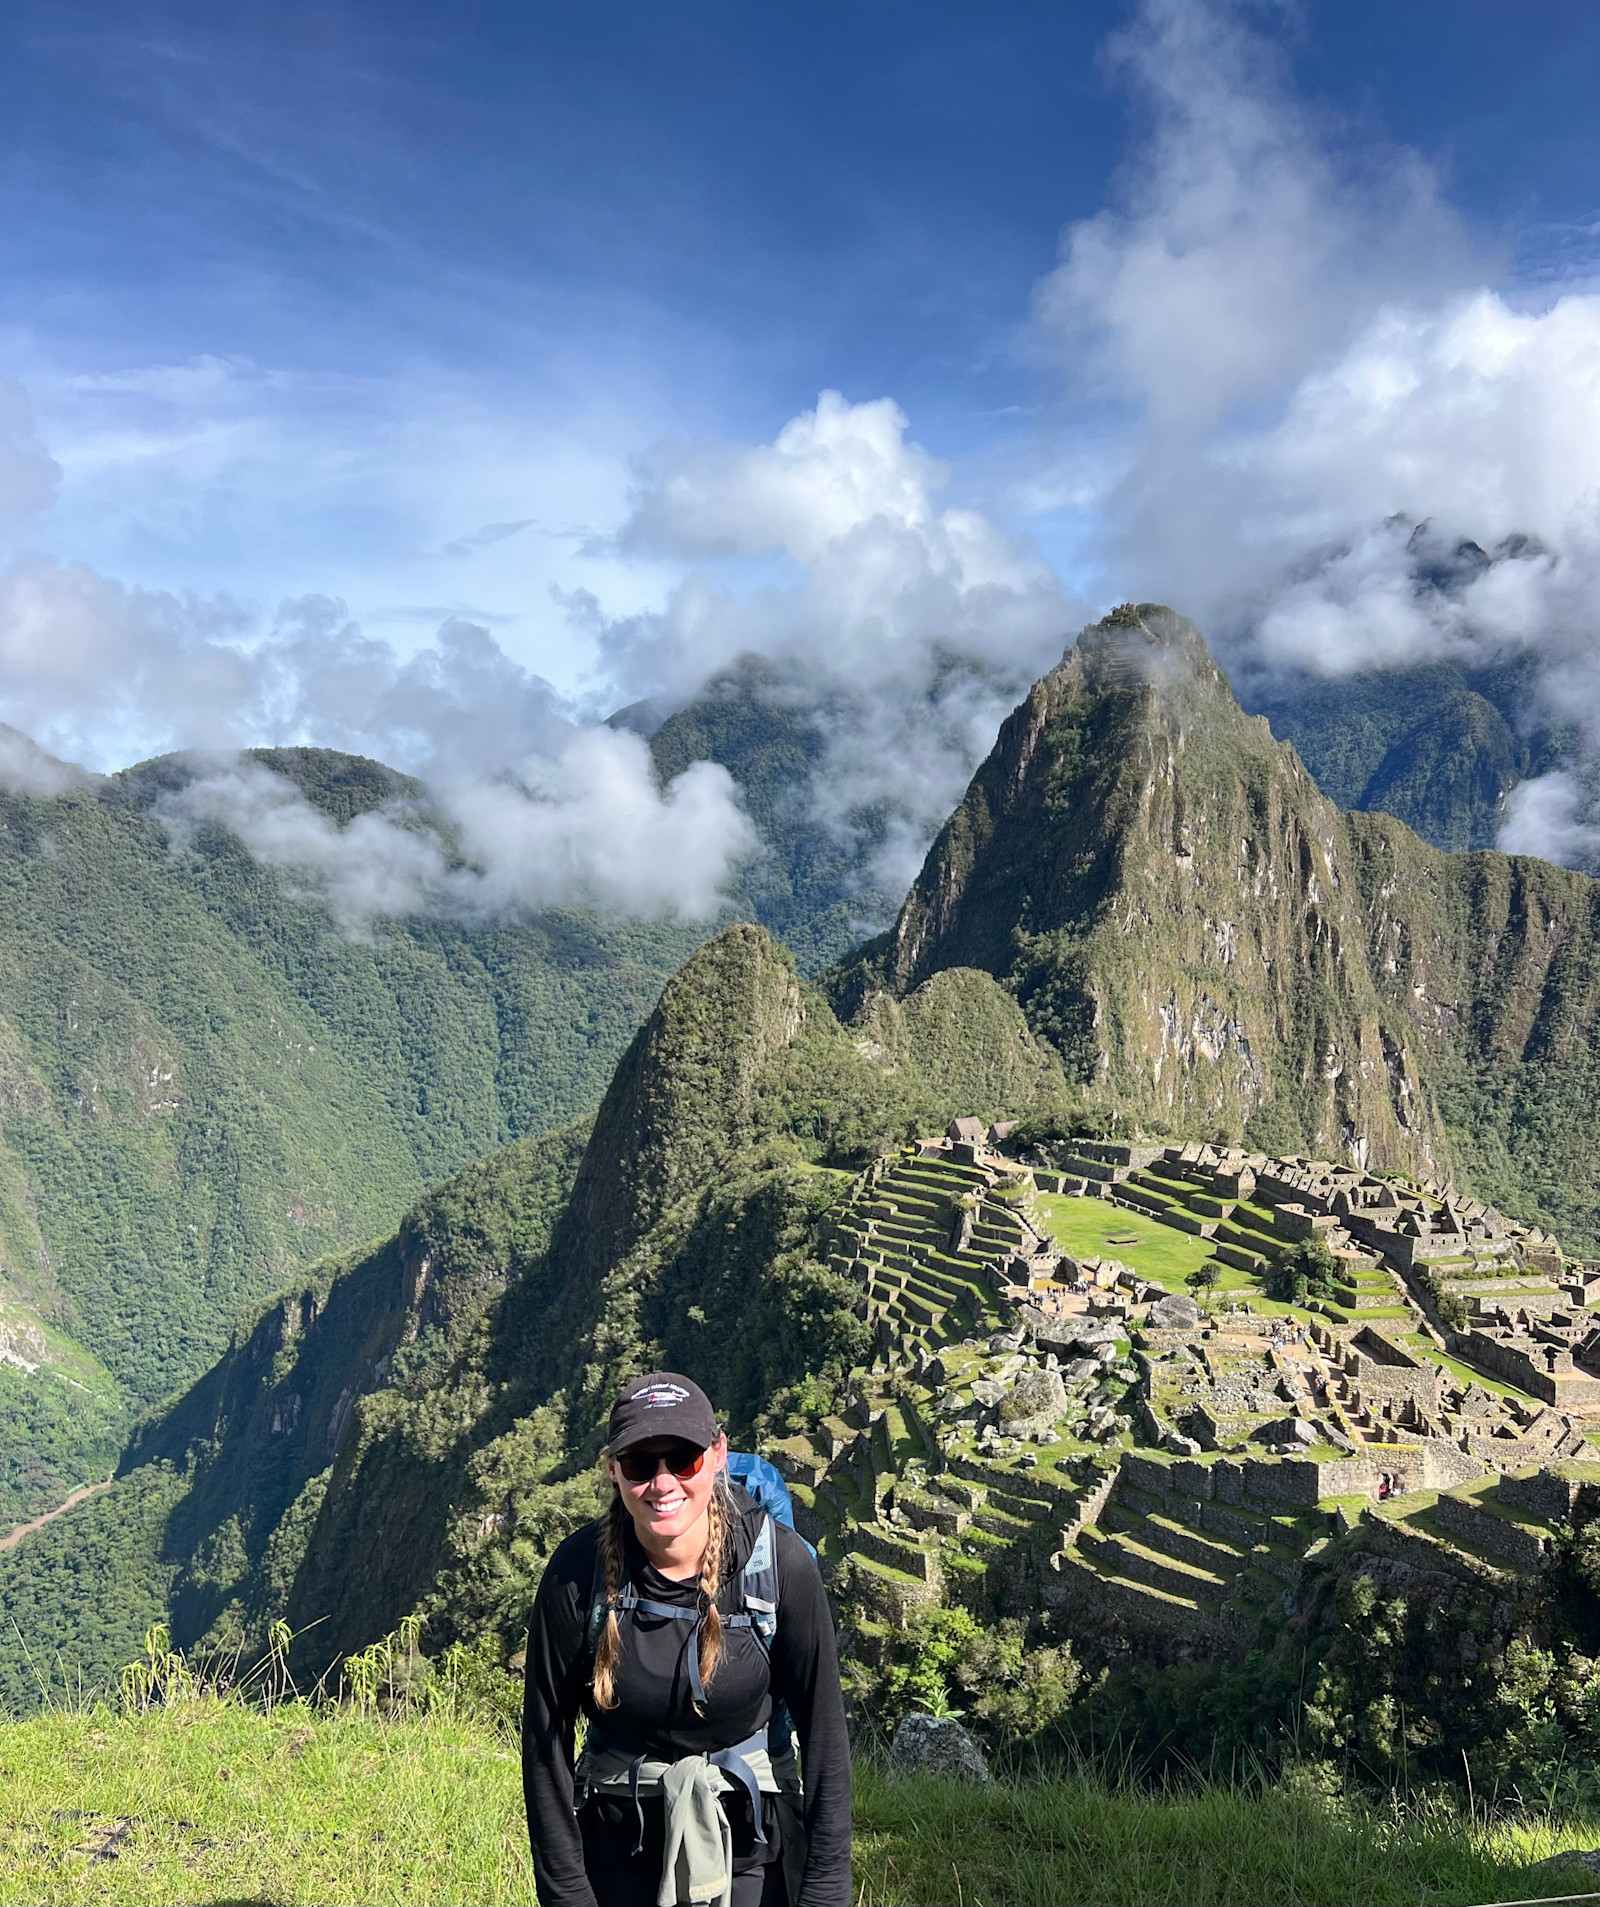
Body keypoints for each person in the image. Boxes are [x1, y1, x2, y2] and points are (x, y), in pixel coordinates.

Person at [523, 1371, 851, 1907]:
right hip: (615, 1845)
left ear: (717, 1454)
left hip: (750, 1846)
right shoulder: (576, 1575)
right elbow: (545, 1745)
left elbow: (825, 1737)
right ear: (613, 1471)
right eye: (638, 1464)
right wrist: (567, 1895)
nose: (663, 1482)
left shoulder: (779, 1566)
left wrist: (824, 1894)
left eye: (683, 1459)